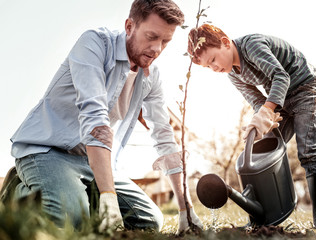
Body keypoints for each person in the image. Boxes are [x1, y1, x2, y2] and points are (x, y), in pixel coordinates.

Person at [2, 0, 203, 234]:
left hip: (90, 160)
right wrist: (108, 197)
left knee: (149, 221)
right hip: (47, 151)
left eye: (165, 41)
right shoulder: (94, 44)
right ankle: (20, 191)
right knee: (72, 219)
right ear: (129, 26)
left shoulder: (151, 77)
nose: (157, 49)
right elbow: (94, 115)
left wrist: (184, 208)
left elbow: (164, 135)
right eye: (151, 36)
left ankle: (78, 194)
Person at [187, 24, 316, 229]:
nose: (214, 68)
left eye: (213, 59)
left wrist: (267, 111)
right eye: (208, 67)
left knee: (308, 150)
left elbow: (281, 76)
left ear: (226, 43)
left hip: (305, 88)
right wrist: (262, 120)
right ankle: (263, 216)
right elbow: (257, 101)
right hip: (281, 99)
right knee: (264, 152)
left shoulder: (252, 46)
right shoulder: (232, 74)